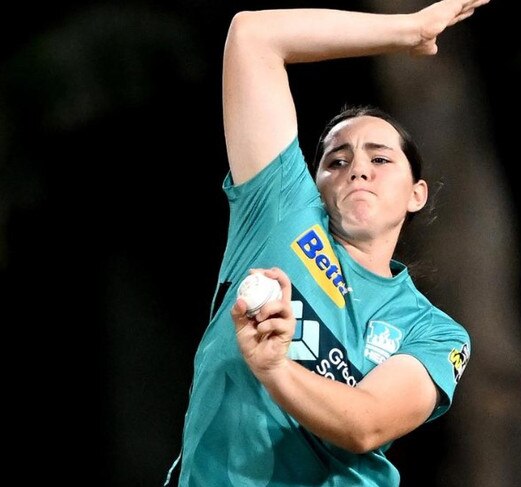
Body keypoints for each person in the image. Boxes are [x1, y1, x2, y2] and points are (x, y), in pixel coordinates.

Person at [165, 1, 488, 485]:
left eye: (380, 159)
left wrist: (276, 369)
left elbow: (367, 425)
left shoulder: (435, 332)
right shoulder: (281, 216)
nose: (357, 168)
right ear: (313, 185)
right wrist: (408, 29)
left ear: (416, 194)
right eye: (336, 161)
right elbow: (253, 35)